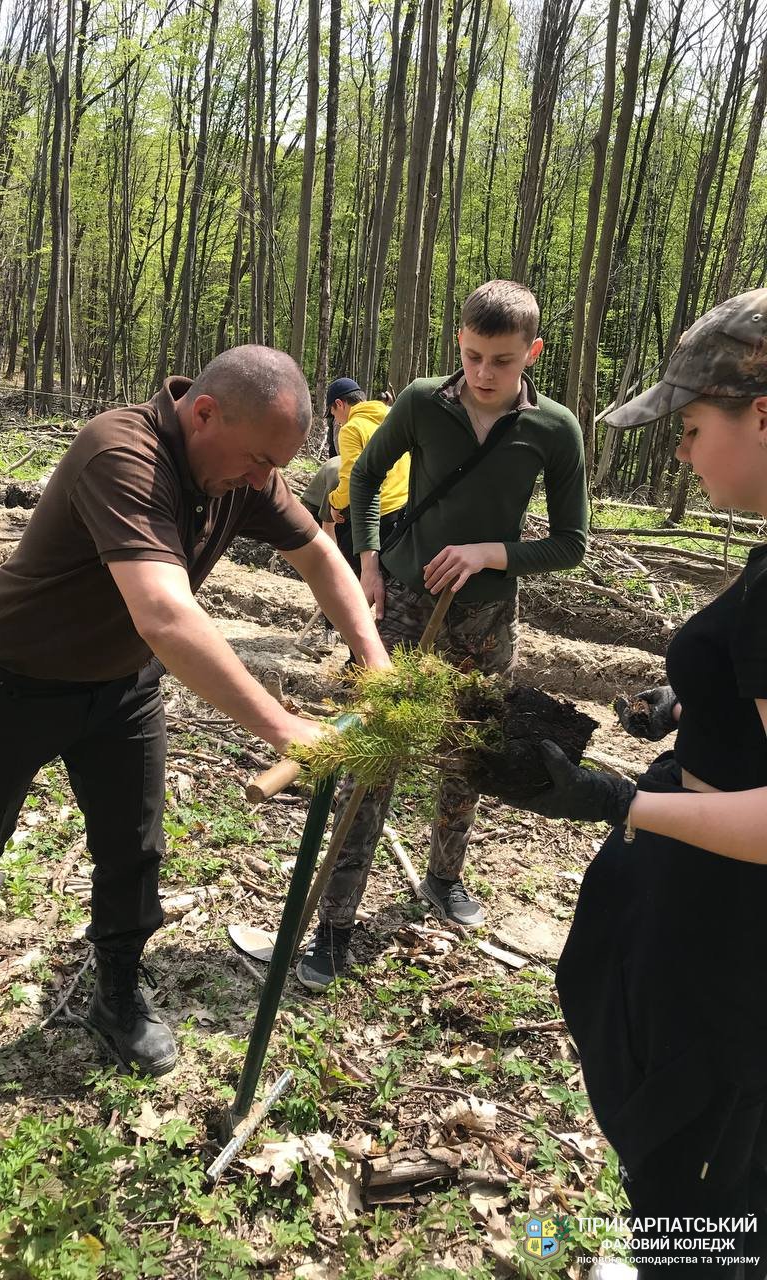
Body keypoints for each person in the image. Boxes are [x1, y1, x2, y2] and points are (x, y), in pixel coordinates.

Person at [0, 345, 391, 1076]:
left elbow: (322, 557)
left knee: (133, 846)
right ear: (204, 414)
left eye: (276, 466)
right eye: (262, 459)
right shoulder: (121, 452)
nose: (267, 480)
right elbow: (166, 616)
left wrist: (374, 658)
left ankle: (118, 990)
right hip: (15, 676)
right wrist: (287, 727)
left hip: (122, 687)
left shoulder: (245, 469)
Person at [484, 290, 767, 1276]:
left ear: (763, 412)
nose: (681, 454)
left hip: (731, 933)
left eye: (691, 428)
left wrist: (617, 799)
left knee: (694, 1157)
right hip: (709, 898)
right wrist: (691, 703)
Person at [296, 279, 589, 991]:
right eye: (473, 355)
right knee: (375, 753)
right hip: (401, 605)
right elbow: (363, 479)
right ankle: (334, 923)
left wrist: (492, 553)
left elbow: (572, 543)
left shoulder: (554, 430)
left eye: (503, 361)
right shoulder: (423, 402)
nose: (485, 375)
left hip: (487, 617)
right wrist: (369, 564)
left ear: (533, 353)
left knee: (469, 750)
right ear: (457, 344)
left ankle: (443, 877)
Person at [323, 376, 410, 572]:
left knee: (349, 564)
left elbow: (351, 478)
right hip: (406, 510)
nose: (336, 420)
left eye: (333, 413)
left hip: (377, 515)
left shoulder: (351, 429)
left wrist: (335, 503)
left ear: (339, 404)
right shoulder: (392, 415)